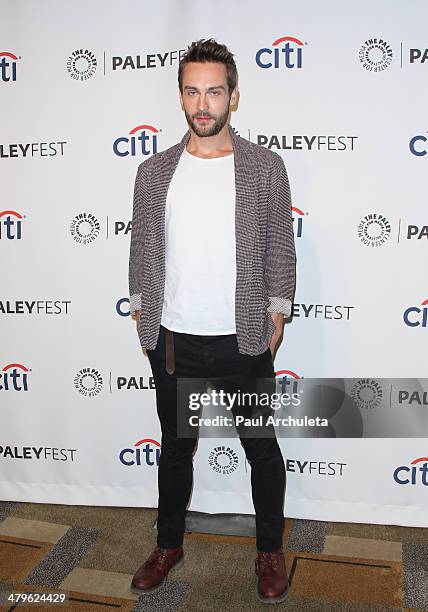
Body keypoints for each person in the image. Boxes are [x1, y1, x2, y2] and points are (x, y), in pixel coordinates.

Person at [128, 38, 296, 604]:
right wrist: (140, 307)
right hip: (173, 340)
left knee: (260, 447)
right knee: (176, 448)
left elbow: (280, 247)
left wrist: (278, 310)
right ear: (180, 98)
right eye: (193, 91)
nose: (204, 104)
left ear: (234, 96)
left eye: (214, 91)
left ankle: (269, 550)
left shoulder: (264, 168)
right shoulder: (154, 172)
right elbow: (143, 245)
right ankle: (168, 543)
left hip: (241, 340)